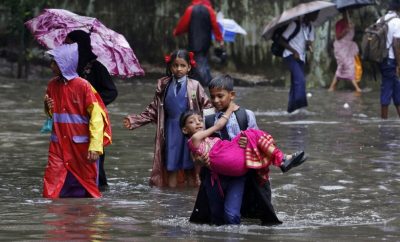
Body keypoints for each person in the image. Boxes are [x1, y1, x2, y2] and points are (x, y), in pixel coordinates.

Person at [189, 75, 306, 226]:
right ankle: (282, 159)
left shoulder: (246, 115)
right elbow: (197, 149)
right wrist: (199, 161)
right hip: (216, 174)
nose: (216, 100)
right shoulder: (208, 119)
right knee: (214, 217)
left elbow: (260, 143)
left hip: (240, 173)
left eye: (220, 96)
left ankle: (282, 159)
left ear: (232, 95)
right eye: (213, 97)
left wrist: (249, 144)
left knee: (234, 215)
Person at [123, 49, 212, 188]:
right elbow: (153, 109)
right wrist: (135, 120)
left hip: (191, 132)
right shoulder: (163, 86)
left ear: (189, 67)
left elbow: (207, 106)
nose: (179, 69)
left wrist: (211, 129)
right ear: (170, 67)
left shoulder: (195, 86)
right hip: (170, 131)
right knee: (171, 167)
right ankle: (170, 200)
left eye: (183, 65)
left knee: (191, 168)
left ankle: (191, 201)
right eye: (175, 65)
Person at [43, 43, 112, 198]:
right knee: (52, 186)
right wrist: (47, 107)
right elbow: (51, 116)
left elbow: (97, 118)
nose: (51, 65)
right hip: (58, 145)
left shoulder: (83, 86)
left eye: (55, 62)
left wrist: (95, 146)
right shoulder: (52, 85)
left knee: (86, 185)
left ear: (64, 64)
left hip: (81, 147)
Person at [180, 105, 306, 178]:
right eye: (192, 121)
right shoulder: (196, 138)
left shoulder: (197, 143)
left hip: (227, 160)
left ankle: (282, 160)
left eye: (199, 120)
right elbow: (218, 126)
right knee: (252, 134)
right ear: (185, 130)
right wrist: (230, 109)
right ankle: (281, 159)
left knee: (253, 140)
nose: (197, 123)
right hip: (226, 159)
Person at [65, 30, 118, 189]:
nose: (66, 46)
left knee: (96, 157)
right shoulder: (69, 68)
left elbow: (111, 91)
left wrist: (92, 102)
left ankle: (99, 187)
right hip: (73, 120)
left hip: (93, 119)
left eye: (69, 43)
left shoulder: (96, 67)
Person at [173, 0, 224, 86]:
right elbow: (215, 26)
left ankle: (210, 85)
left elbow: (183, 24)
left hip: (194, 42)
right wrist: (219, 38)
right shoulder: (209, 10)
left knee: (200, 65)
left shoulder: (191, 9)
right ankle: (200, 85)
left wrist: (176, 32)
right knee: (202, 63)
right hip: (206, 43)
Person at [278, 11, 319, 113]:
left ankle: (291, 110)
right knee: (300, 81)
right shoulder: (295, 24)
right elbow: (281, 40)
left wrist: (308, 46)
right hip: (290, 55)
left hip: (301, 58)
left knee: (295, 84)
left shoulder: (310, 28)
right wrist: (294, 51)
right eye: (315, 14)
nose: (316, 16)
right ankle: (300, 107)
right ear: (308, 14)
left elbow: (308, 42)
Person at [328, 10, 362, 92]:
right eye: (346, 13)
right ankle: (357, 88)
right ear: (343, 13)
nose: (349, 14)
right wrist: (346, 30)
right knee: (346, 66)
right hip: (340, 48)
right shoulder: (339, 23)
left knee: (347, 66)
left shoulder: (351, 23)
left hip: (349, 48)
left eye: (350, 12)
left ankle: (332, 87)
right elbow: (338, 36)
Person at [378, 0, 400, 119]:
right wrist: (399, 64)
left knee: (397, 89)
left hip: (382, 59)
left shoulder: (381, 20)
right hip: (391, 61)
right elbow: (396, 44)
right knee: (387, 89)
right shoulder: (397, 22)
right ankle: (383, 122)